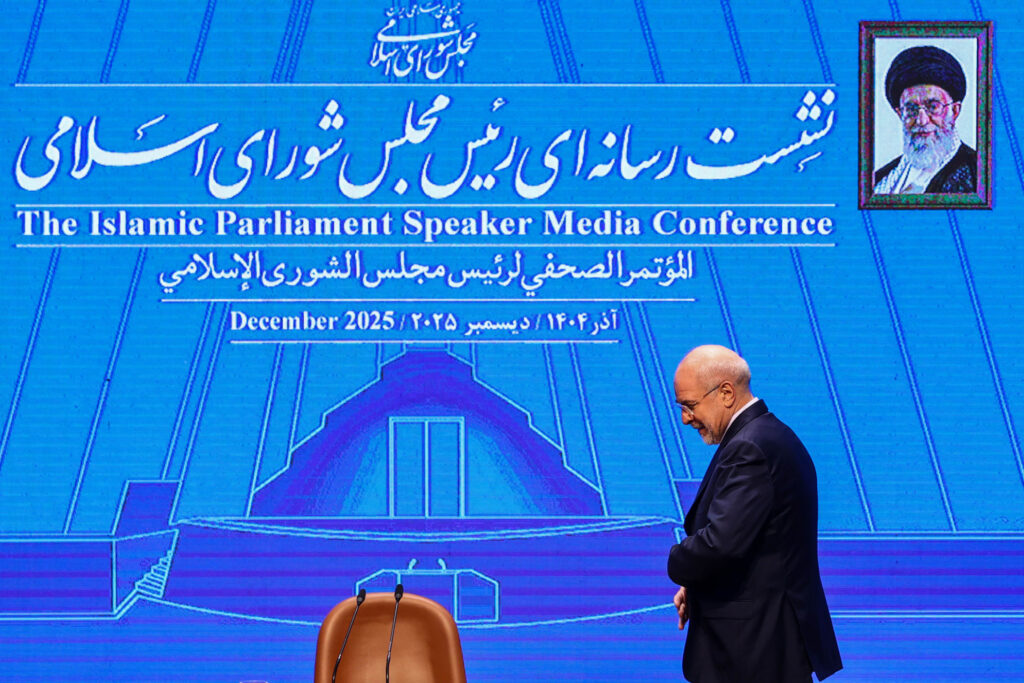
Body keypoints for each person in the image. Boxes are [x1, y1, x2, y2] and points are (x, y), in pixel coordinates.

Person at [667, 345, 842, 682]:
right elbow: (756, 546)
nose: (686, 419)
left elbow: (720, 545)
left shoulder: (749, 447)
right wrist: (698, 582)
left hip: (751, 654)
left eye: (689, 406)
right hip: (767, 647)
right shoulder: (773, 436)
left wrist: (677, 560)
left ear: (726, 393)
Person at [873, 45, 977, 194]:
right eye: (911, 109)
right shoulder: (880, 180)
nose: (922, 120)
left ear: (954, 111)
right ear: (900, 113)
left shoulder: (978, 174)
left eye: (933, 107)